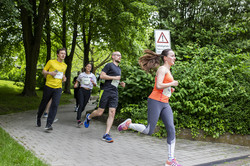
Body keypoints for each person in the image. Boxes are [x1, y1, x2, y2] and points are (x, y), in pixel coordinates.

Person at [117, 49, 182, 166]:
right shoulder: (162, 69)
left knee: (171, 129)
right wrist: (171, 84)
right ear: (165, 58)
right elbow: (158, 85)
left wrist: (170, 89)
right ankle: (128, 124)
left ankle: (170, 159)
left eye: (174, 56)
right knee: (149, 130)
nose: (174, 58)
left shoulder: (168, 70)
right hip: (155, 101)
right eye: (172, 56)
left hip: (165, 103)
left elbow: (163, 87)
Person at [83, 51, 125, 143]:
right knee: (99, 113)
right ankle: (89, 117)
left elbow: (116, 80)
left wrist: (120, 83)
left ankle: (106, 134)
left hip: (114, 92)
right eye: (118, 55)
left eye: (120, 56)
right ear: (113, 57)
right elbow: (102, 76)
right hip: (106, 91)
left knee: (112, 113)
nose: (119, 57)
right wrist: (114, 78)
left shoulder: (119, 69)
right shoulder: (109, 65)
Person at [36, 48, 67, 131]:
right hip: (49, 86)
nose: (63, 55)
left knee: (55, 105)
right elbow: (43, 71)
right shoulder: (51, 62)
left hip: (58, 88)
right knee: (44, 103)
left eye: (64, 53)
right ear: (58, 54)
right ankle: (38, 116)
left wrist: (64, 78)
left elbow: (63, 75)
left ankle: (48, 124)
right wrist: (50, 73)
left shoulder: (65, 65)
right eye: (61, 53)